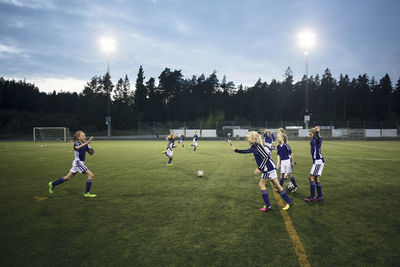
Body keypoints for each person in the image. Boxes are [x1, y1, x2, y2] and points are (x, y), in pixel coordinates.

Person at [231, 131, 293, 212]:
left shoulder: (257, 147)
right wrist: (236, 150)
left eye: (248, 138)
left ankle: (268, 206)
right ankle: (289, 202)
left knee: (261, 184)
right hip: (269, 166)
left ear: (253, 139)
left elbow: (266, 157)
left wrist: (259, 168)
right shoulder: (254, 146)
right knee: (277, 185)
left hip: (267, 168)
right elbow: (247, 151)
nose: (247, 139)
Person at [48, 131, 96, 198]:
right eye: (83, 136)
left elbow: (91, 153)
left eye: (84, 135)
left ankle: (53, 184)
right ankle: (87, 193)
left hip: (79, 163)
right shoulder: (76, 143)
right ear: (78, 137)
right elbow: (77, 148)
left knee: (67, 177)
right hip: (78, 162)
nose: (84, 137)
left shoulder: (85, 144)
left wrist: (91, 149)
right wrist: (87, 143)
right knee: (91, 175)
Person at [305, 126, 325, 202]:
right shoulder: (313, 140)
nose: (309, 135)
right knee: (316, 178)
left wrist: (317, 132)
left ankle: (312, 197)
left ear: (314, 134)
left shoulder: (317, 139)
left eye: (310, 134)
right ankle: (320, 197)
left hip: (318, 161)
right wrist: (313, 130)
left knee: (311, 177)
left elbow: (319, 138)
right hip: (317, 161)